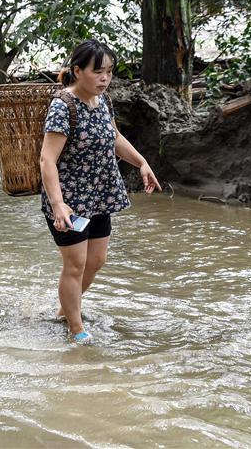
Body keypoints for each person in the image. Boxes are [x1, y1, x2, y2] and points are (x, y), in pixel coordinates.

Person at [39, 39, 161, 344]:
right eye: (98, 72)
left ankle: (66, 309)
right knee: (75, 264)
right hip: (70, 199)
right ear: (77, 71)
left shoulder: (102, 101)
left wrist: (141, 162)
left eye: (109, 72)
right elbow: (47, 160)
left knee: (96, 261)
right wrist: (58, 205)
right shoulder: (62, 106)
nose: (105, 78)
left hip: (99, 195)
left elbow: (115, 137)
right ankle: (75, 328)